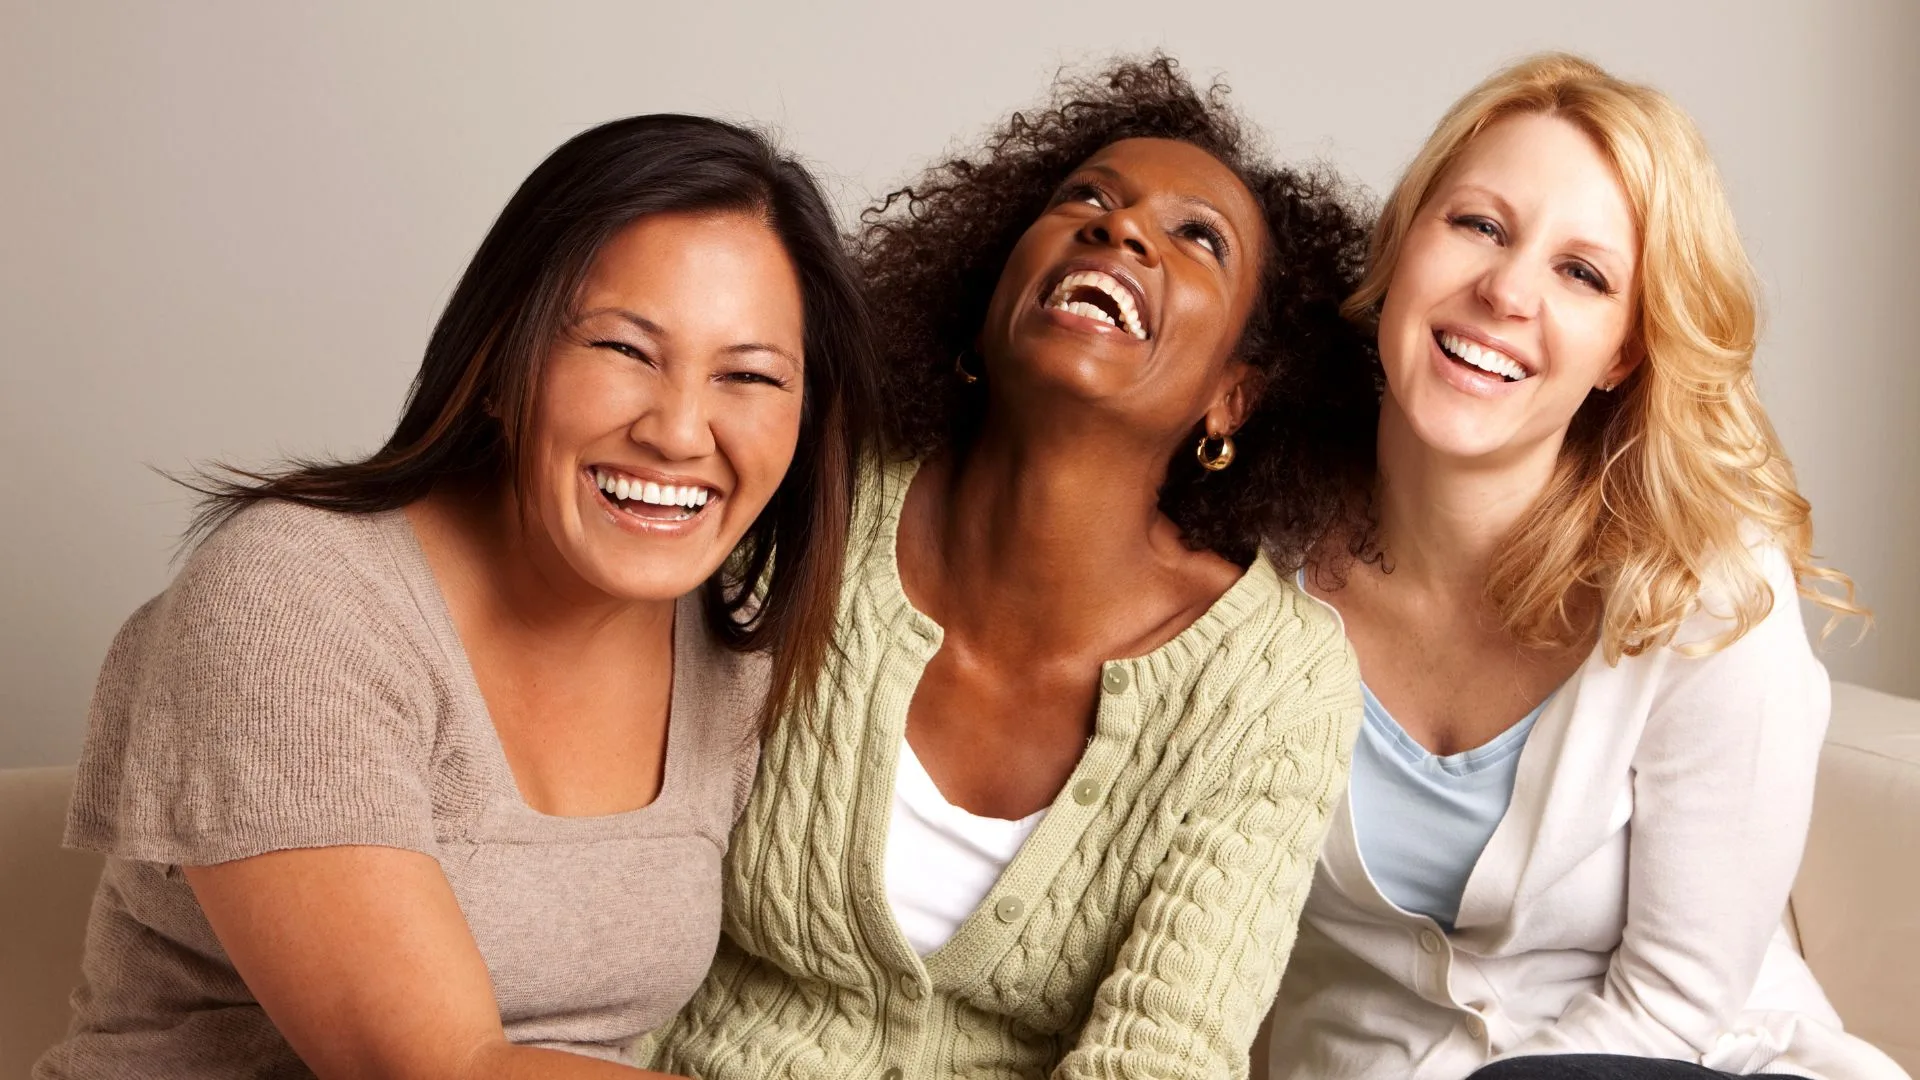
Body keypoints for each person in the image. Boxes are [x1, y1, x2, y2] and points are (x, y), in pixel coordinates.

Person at [36, 114, 881, 1078]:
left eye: (749, 375)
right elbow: (443, 1068)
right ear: (497, 365)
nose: (682, 431)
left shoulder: (736, 657)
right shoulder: (295, 598)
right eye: (623, 350)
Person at [644, 56, 1374, 1080]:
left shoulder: (1273, 681)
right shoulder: (812, 503)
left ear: (1233, 401)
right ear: (984, 300)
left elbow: (1162, 1058)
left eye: (1195, 236)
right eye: (1087, 198)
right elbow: (622, 897)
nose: (1121, 230)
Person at [1260, 54, 1905, 1080]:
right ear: (1402, 243)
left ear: (1621, 353)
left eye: (1584, 273)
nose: (1507, 290)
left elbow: (1677, 1005)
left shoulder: (1705, 585)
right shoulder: (1256, 554)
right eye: (1479, 224)